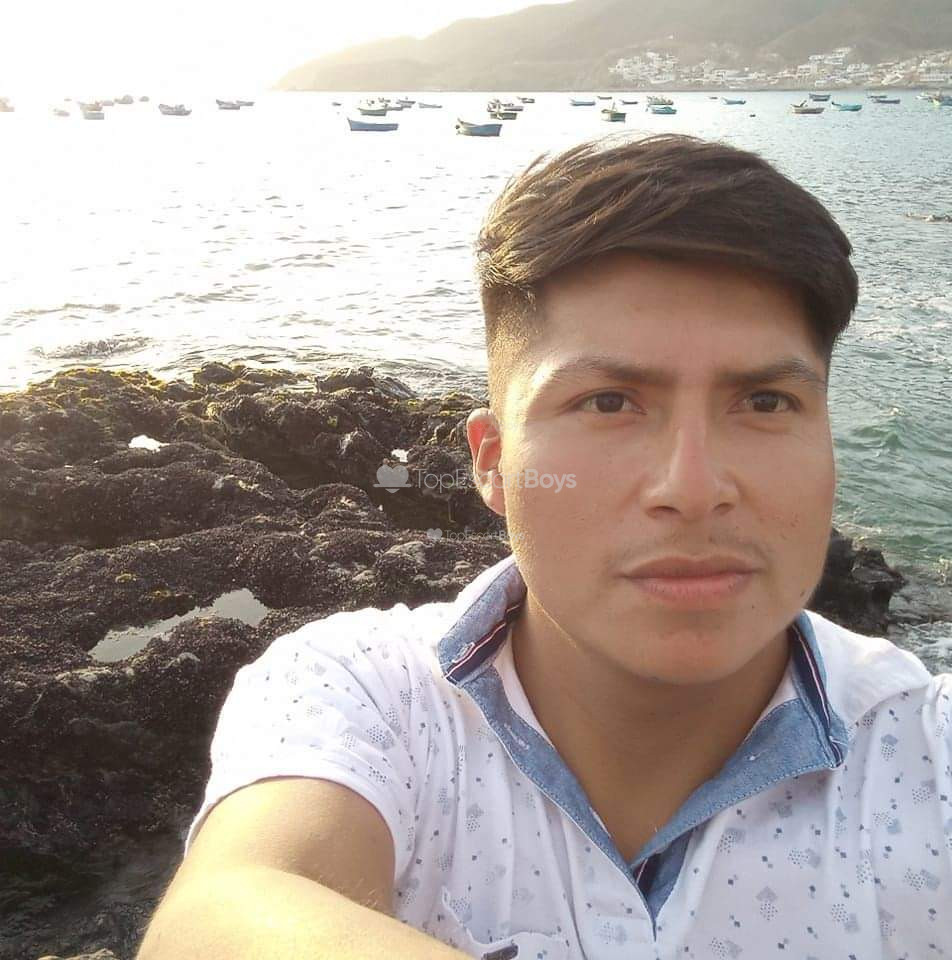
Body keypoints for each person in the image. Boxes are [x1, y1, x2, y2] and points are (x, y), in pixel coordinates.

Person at [136, 133, 952, 959]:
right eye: (609, 403)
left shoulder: (927, 753)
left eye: (767, 403)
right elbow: (225, 914)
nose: (694, 486)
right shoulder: (368, 696)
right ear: (493, 462)